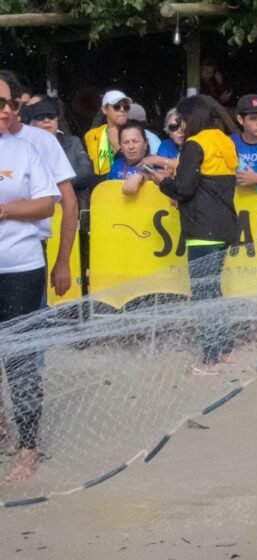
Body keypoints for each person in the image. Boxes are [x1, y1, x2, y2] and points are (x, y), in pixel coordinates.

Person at [142, 95, 240, 375]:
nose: (180, 126)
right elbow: (210, 181)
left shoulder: (194, 145)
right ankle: (226, 348)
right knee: (214, 290)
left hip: (201, 228)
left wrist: (162, 182)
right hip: (224, 227)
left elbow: (184, 188)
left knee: (203, 294)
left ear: (193, 118)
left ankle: (209, 358)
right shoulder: (224, 141)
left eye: (182, 120)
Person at [0, 71, 60, 483]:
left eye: (9, 104)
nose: (6, 111)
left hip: (20, 266)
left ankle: (27, 446)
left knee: (19, 360)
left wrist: (5, 211)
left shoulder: (24, 150)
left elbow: (46, 205)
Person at [0, 72, 79, 302]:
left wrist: (63, 262)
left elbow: (69, 203)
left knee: (27, 332)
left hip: (30, 253)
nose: (9, 111)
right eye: (2, 103)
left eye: (15, 105)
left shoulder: (40, 142)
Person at [23, 95, 96, 198]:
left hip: (73, 202)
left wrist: (61, 183)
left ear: (57, 120)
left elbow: (86, 172)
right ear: (31, 123)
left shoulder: (73, 142)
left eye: (51, 116)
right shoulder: (23, 147)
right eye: (40, 116)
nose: (47, 120)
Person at [84, 89, 133, 176]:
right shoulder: (91, 135)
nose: (122, 110)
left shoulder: (136, 133)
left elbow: (137, 166)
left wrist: (116, 145)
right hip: (101, 185)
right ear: (105, 109)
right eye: (116, 106)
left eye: (126, 107)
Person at [110, 121, 152, 195]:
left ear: (145, 143)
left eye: (135, 141)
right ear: (121, 147)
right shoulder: (116, 165)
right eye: (126, 142)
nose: (131, 147)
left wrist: (140, 176)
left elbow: (158, 176)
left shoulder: (155, 162)